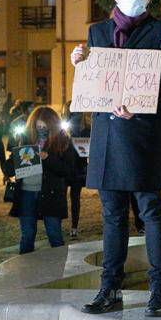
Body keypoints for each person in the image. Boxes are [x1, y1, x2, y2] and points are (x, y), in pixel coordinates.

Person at [73, 0, 161, 318]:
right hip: (107, 139)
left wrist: (140, 106)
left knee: (152, 212)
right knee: (112, 216)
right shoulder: (97, 33)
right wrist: (80, 64)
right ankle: (110, 289)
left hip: (144, 137)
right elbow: (93, 86)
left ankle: (159, 288)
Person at [2, 106, 76, 254]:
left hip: (51, 194)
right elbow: (9, 169)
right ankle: (26, 272)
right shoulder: (25, 139)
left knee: (55, 235)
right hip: (26, 193)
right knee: (27, 236)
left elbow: (68, 170)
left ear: (53, 126)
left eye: (45, 127)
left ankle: (60, 271)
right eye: (38, 126)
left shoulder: (63, 141)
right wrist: (18, 155)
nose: (41, 130)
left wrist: (48, 158)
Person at [61, 102, 90, 238]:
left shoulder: (86, 129)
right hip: (64, 168)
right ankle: (62, 225)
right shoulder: (62, 130)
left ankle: (74, 226)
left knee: (75, 199)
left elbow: (90, 149)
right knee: (64, 198)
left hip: (78, 168)